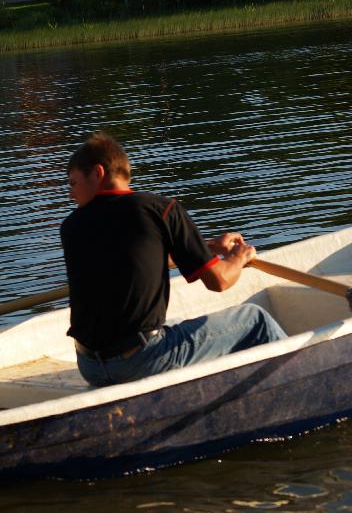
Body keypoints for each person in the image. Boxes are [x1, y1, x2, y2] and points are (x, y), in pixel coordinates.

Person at [61, 132, 287, 386]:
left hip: (90, 366)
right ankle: (299, 383)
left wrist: (206, 248)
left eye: (73, 183)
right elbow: (219, 281)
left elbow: (135, 260)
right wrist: (239, 256)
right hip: (142, 361)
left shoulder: (71, 227)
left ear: (98, 173)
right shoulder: (160, 209)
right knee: (255, 320)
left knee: (176, 324)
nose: (71, 194)